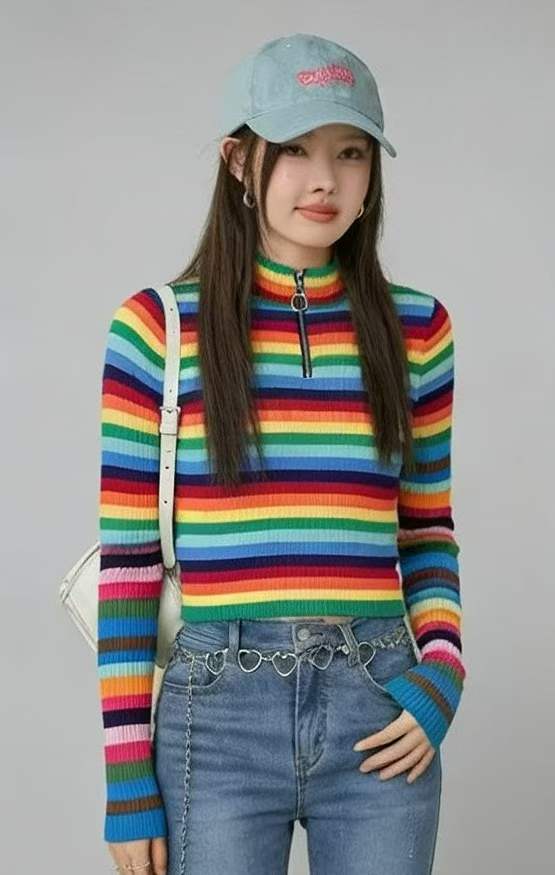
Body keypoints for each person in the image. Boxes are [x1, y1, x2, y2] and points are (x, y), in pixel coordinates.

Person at [97, 32, 465, 875]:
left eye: (350, 151)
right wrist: (126, 779)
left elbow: (425, 530)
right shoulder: (157, 328)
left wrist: (442, 668)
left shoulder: (418, 329)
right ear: (239, 161)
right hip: (216, 718)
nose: (324, 178)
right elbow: (129, 564)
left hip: (380, 705)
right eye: (294, 148)